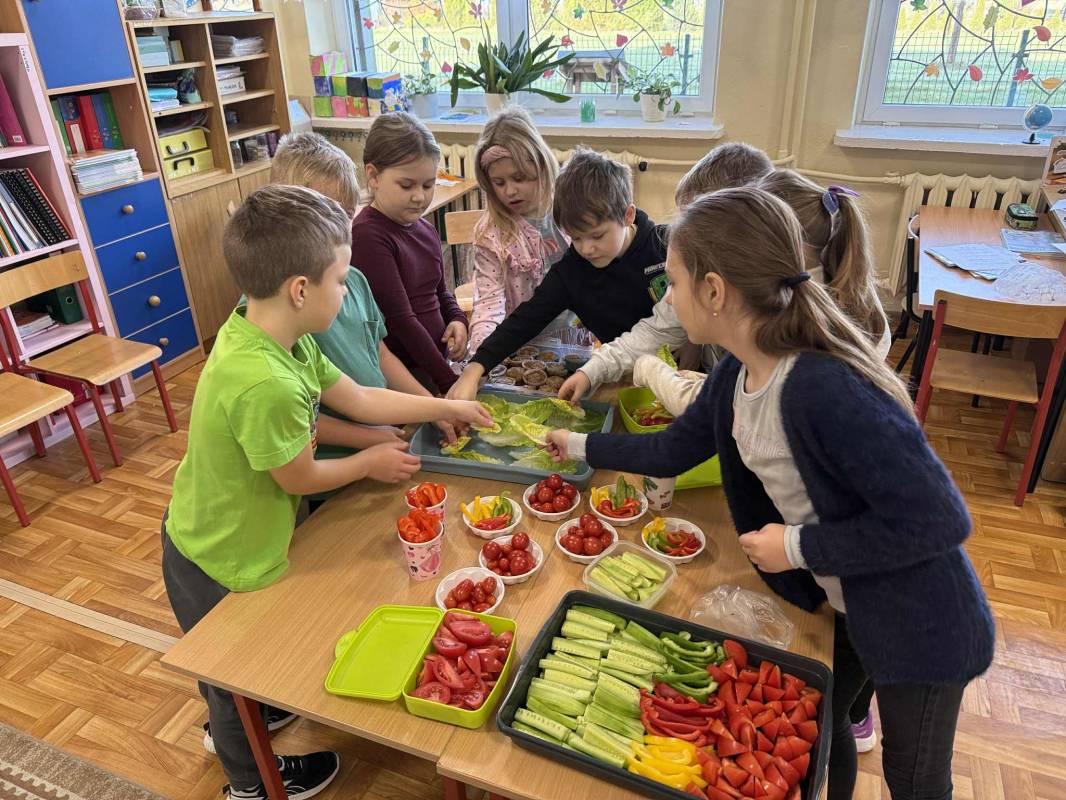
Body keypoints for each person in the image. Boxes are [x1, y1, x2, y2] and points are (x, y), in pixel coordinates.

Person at [545, 187, 994, 800]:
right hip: (850, 601)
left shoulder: (819, 386)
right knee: (828, 723)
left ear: (714, 290)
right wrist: (577, 446)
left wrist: (797, 546)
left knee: (913, 781)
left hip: (922, 619)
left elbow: (939, 522)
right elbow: (674, 449)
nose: (667, 298)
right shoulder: (737, 366)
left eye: (673, 282)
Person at [161, 185, 491, 800]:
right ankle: (248, 785)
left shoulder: (278, 335)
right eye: (340, 280)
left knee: (244, 672)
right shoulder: (265, 382)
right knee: (227, 681)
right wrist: (368, 460)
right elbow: (300, 478)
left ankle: (255, 720)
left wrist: (447, 406)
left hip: (236, 533)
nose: (346, 291)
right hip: (215, 553)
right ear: (300, 290)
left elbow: (360, 399)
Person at [270, 131, 458, 452]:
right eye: (322, 217)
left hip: (381, 436)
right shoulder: (273, 306)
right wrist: (371, 438)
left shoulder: (355, 280)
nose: (338, 229)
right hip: (334, 462)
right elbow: (294, 417)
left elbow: (382, 356)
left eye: (345, 214)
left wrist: (433, 407)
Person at [557, 142, 774, 406]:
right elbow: (655, 331)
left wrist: (651, 371)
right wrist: (592, 371)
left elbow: (735, 403)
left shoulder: (773, 340)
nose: (668, 297)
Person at [448, 147, 667, 401]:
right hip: (618, 369)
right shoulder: (572, 269)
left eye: (597, 236)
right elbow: (526, 319)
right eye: (576, 238)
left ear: (628, 216)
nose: (586, 249)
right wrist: (475, 368)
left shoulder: (664, 247)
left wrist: (690, 349)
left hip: (673, 367)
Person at [353, 112, 468, 394]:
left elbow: (440, 290)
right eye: (407, 185)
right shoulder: (368, 236)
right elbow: (401, 321)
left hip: (434, 367)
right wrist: (449, 383)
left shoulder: (424, 228)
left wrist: (457, 318)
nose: (420, 196)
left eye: (428, 185)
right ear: (373, 176)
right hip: (404, 378)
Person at [468, 107, 569, 354]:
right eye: (499, 183)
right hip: (521, 346)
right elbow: (489, 304)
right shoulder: (491, 234)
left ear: (541, 166)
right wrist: (481, 357)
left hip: (574, 338)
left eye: (520, 178)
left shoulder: (569, 206)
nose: (510, 191)